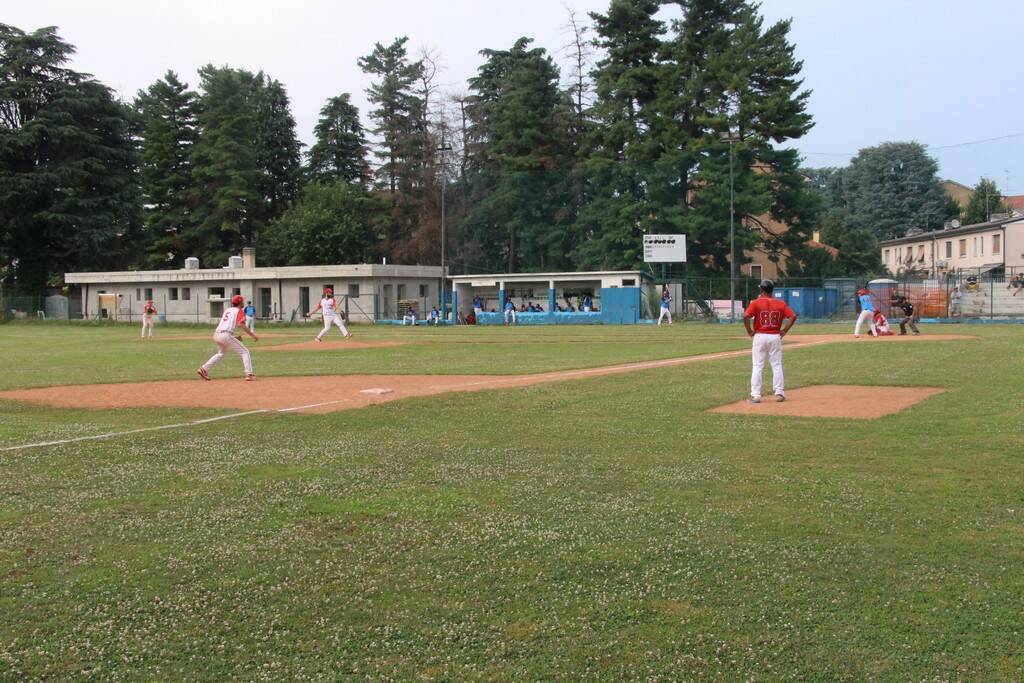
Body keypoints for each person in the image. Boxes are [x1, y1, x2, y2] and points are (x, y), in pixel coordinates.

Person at [742, 279, 797, 403]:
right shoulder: (780, 303)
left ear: (761, 290)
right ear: (772, 290)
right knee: (776, 365)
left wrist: (750, 331)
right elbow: (793, 316)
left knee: (757, 365)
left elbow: (745, 316)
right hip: (775, 336)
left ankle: (756, 395)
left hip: (760, 336)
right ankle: (779, 393)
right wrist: (784, 331)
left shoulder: (755, 303)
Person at [197, 294, 259, 381]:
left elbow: (226, 327)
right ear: (240, 302)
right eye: (242, 301)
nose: (243, 302)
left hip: (217, 334)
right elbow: (241, 324)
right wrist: (253, 335)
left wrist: (234, 337)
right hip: (225, 335)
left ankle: (204, 369)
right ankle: (249, 374)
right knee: (245, 352)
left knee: (221, 353)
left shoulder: (228, 310)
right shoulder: (239, 311)